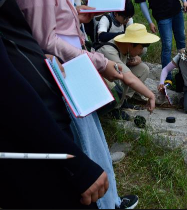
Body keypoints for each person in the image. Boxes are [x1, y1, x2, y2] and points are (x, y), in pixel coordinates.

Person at [16, 0, 138, 208]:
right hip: (66, 76)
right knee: (87, 144)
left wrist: (73, 15)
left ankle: (112, 200)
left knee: (95, 141)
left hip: (73, 69)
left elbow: (50, 24)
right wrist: (99, 62)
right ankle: (105, 204)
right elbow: (45, 41)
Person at [0, 0, 107, 207]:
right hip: (34, 138)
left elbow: (16, 41)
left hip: (46, 124)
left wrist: (42, 57)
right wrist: (74, 162)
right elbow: (7, 88)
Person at [96, 23, 159, 112]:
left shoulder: (125, 46)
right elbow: (129, 78)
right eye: (141, 48)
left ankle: (123, 101)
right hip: (102, 85)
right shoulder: (109, 51)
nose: (142, 51)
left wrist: (137, 59)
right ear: (130, 44)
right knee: (124, 77)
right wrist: (151, 95)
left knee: (143, 69)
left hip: (116, 77)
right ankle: (114, 109)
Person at [135, 0, 187, 87]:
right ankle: (167, 77)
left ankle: (184, 72)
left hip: (177, 10)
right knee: (167, 46)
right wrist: (150, 22)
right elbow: (142, 2)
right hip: (162, 15)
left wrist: (185, 2)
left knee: (181, 42)